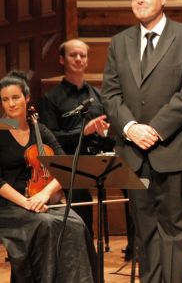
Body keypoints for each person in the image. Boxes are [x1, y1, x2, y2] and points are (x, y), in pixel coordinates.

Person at [101, 0, 182, 283]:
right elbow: (110, 92)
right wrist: (131, 127)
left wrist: (155, 129)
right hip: (133, 151)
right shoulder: (120, 43)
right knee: (144, 228)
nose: (140, 0)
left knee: (174, 228)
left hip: (170, 148)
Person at [0, 71, 97, 282]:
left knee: (76, 224)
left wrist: (45, 194)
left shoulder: (39, 129)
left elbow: (65, 166)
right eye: (5, 99)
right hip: (6, 205)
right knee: (46, 224)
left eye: (16, 97)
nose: (11, 104)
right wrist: (26, 203)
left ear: (27, 98)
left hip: (39, 199)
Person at [38, 38, 115, 235]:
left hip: (98, 157)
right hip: (69, 159)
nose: (79, 59)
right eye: (73, 55)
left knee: (133, 185)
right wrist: (84, 131)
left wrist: (106, 132)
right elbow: (50, 138)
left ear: (88, 60)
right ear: (62, 60)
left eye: (83, 55)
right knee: (79, 193)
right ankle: (85, 244)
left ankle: (135, 246)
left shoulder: (98, 95)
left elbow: (109, 131)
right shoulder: (51, 98)